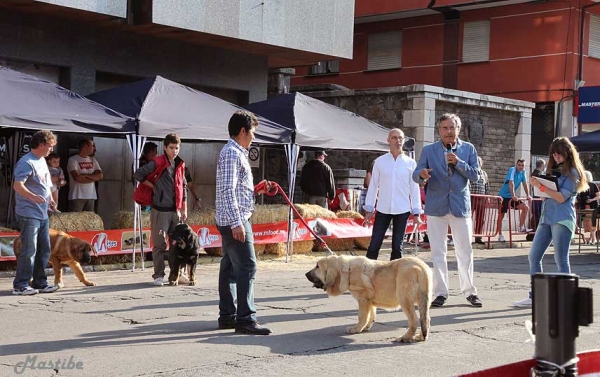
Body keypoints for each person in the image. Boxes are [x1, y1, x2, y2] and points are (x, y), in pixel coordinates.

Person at [413, 113, 482, 308]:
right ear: (439, 130)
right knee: (438, 251)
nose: (448, 132)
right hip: (436, 207)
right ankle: (440, 292)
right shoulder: (429, 150)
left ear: (458, 130)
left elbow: (476, 176)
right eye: (445, 128)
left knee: (465, 251)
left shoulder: (468, 149)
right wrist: (422, 175)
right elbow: (415, 174)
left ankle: (469, 291)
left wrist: (458, 162)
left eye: (452, 128)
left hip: (460, 205)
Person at [513, 137, 588, 307]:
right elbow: (548, 194)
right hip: (547, 217)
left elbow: (561, 197)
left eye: (559, 154)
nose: (556, 157)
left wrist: (541, 186)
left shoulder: (573, 173)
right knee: (534, 256)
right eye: (554, 154)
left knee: (560, 259)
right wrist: (538, 184)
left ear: (568, 154)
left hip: (562, 218)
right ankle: (535, 295)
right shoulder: (553, 169)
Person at [215, 110, 272, 335]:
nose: (254, 138)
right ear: (242, 131)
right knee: (248, 266)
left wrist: (257, 189)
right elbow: (228, 191)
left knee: (229, 268)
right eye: (253, 133)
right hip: (234, 220)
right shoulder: (232, 153)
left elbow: (236, 190)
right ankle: (246, 318)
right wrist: (237, 223)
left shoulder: (235, 152)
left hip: (232, 217)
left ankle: (228, 315)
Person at [133, 134, 188, 287]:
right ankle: (158, 275)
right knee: (159, 244)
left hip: (175, 210)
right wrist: (153, 186)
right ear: (165, 147)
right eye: (171, 148)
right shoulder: (157, 162)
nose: (174, 151)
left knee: (178, 244)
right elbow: (138, 174)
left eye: (177, 148)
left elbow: (183, 186)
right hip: (160, 209)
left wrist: (184, 207)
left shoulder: (180, 164)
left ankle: (177, 274)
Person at [12, 130, 60, 295]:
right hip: (28, 213)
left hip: (42, 213)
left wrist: (50, 200)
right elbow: (18, 185)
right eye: (50, 146)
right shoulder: (26, 162)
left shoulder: (41, 161)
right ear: (41, 144)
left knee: (44, 249)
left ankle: (40, 282)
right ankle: (21, 284)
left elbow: (44, 184)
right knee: (29, 250)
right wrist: (33, 197)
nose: (51, 150)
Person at [363, 128, 422, 260]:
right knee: (374, 244)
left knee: (397, 247)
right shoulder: (379, 162)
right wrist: (369, 208)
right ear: (388, 141)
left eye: (400, 138)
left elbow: (414, 188)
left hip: (402, 209)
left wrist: (417, 213)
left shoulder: (411, 163)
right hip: (383, 208)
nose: (398, 141)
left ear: (404, 141)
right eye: (394, 138)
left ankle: (395, 278)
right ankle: (367, 274)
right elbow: (373, 186)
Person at [496, 159, 532, 241]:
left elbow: (525, 183)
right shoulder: (512, 170)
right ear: (516, 165)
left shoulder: (523, 172)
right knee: (501, 215)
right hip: (503, 196)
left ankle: (521, 227)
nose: (520, 167)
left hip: (512, 197)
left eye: (522, 165)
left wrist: (528, 195)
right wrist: (513, 195)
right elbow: (511, 182)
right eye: (519, 165)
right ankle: (500, 235)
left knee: (525, 207)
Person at [67, 139, 103, 212]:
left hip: (91, 195)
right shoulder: (73, 160)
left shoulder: (93, 160)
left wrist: (85, 175)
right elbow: (77, 178)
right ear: (85, 146)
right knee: (75, 220)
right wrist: (93, 177)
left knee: (89, 221)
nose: (94, 148)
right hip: (77, 196)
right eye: (92, 146)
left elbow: (100, 176)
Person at [469, 156, 488, 245]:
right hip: (471, 198)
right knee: (468, 218)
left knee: (480, 219)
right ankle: (467, 236)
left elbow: (486, 186)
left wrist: (487, 197)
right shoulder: (471, 172)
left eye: (479, 162)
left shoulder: (484, 174)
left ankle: (478, 237)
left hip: (481, 199)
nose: (478, 163)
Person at [577, 170, 599, 244]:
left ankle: (593, 238)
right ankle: (591, 238)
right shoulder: (581, 185)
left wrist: (592, 200)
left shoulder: (593, 185)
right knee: (587, 224)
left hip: (593, 207)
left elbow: (598, 196)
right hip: (584, 207)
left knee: (592, 222)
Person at [530, 159, 546, 234]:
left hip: (536, 196)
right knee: (537, 215)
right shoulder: (538, 174)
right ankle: (535, 232)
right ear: (542, 165)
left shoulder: (533, 173)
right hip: (538, 197)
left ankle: (533, 232)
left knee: (536, 215)